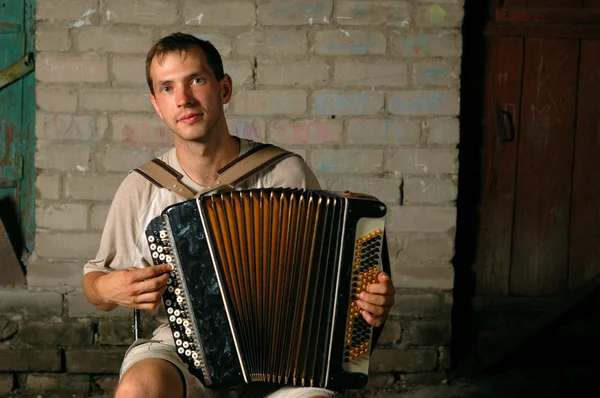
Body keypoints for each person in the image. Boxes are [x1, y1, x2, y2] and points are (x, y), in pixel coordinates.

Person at [82, 32, 396, 398]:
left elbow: (333, 279)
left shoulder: (285, 172)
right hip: (182, 353)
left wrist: (370, 298)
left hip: (289, 358)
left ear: (224, 88)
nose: (183, 99)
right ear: (156, 103)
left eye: (196, 80)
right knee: (138, 390)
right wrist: (107, 287)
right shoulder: (143, 187)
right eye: (167, 88)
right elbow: (95, 282)